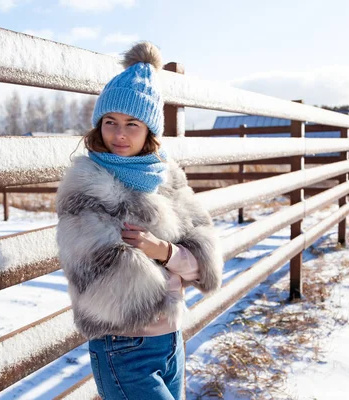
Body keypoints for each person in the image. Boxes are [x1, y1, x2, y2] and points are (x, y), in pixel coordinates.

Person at [55, 42, 224, 400]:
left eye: (133, 124)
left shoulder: (169, 178)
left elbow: (204, 258)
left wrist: (160, 251)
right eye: (110, 122)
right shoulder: (87, 185)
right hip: (123, 346)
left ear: (150, 131)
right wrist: (176, 267)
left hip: (171, 340)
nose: (119, 134)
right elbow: (102, 282)